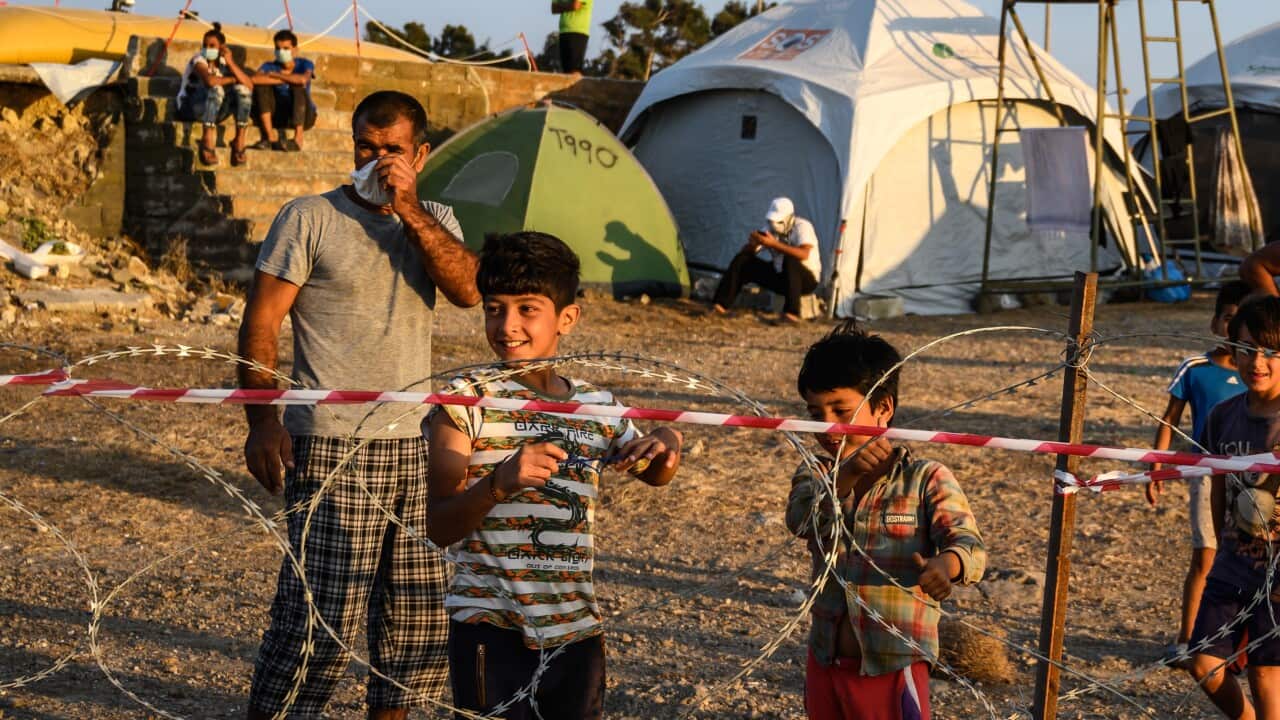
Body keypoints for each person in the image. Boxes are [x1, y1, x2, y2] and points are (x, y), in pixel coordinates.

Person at [238, 90, 481, 720]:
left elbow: (467, 291)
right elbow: (261, 324)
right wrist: (263, 420)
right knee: (319, 622)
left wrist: (409, 210)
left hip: (415, 447)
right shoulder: (308, 217)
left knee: (415, 629)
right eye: (365, 148)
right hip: (332, 442)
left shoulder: (437, 222)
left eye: (392, 150)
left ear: (420, 154)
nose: (376, 160)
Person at [425, 231, 683, 720]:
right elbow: (440, 525)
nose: (507, 326)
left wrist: (668, 442)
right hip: (491, 628)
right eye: (494, 308)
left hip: (577, 633)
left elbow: (655, 472)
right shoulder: (464, 402)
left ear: (567, 318)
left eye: (527, 309)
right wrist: (499, 482)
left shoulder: (597, 408)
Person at [785, 321, 986, 720]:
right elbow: (801, 521)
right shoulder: (815, 474)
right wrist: (846, 476)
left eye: (841, 410)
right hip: (825, 660)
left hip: (893, 662)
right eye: (815, 413)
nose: (828, 426)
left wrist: (945, 567)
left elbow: (970, 546)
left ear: (884, 409)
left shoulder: (926, 478)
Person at [1146, 281, 1250, 668]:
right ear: (1215, 322)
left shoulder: (1261, 373)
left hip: (1253, 478)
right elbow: (1169, 419)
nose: (1234, 328)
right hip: (1205, 473)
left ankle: (1239, 645)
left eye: (1243, 322)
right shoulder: (1195, 368)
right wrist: (1156, 464)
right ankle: (1186, 640)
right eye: (1228, 318)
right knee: (1206, 557)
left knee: (1249, 559)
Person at [1187, 296, 1280, 720]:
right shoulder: (1224, 416)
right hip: (1234, 562)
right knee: (1203, 661)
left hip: (1279, 570)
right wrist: (1225, 540)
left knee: (1266, 677)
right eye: (1246, 348)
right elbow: (1218, 484)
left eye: (1270, 351)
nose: (1256, 361)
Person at [712, 197, 822, 323]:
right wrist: (752, 244)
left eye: (779, 221)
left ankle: (791, 313)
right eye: (772, 220)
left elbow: (804, 254)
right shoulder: (769, 228)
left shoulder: (802, 226)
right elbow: (749, 251)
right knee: (743, 261)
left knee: (790, 260)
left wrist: (774, 244)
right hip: (781, 276)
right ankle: (720, 305)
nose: (774, 224)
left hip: (806, 280)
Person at [174, 22, 255, 167]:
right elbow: (210, 81)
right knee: (216, 88)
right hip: (191, 107)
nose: (207, 49)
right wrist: (232, 79)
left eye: (212, 46)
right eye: (205, 45)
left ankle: (239, 140)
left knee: (243, 91)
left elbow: (249, 85)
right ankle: (207, 138)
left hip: (215, 109)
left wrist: (230, 63)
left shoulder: (225, 63)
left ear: (222, 48)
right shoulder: (198, 59)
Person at [250, 29, 317, 152]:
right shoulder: (269, 66)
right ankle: (270, 137)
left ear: (295, 50)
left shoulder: (305, 64)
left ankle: (298, 139)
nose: (281, 52)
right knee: (261, 87)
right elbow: (255, 79)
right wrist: (288, 79)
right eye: (278, 48)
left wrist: (278, 76)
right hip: (279, 113)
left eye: (286, 49)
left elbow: (303, 80)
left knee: (298, 87)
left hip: (303, 114)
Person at [551, 0, 592, 74]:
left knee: (575, 70)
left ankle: (578, 86)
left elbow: (575, 5)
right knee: (566, 71)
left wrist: (561, 5)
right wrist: (569, 5)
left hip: (578, 32)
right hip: (563, 32)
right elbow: (553, 8)